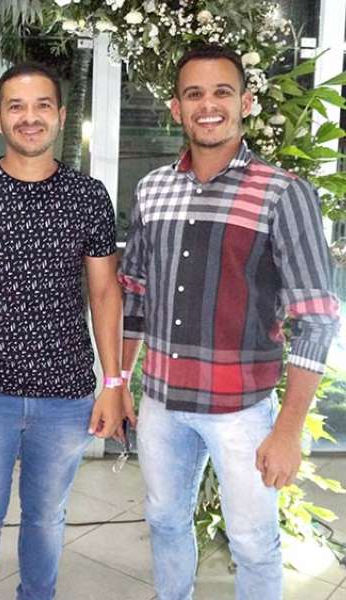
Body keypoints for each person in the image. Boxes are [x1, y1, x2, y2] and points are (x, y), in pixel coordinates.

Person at [119, 44, 340, 600]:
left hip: (241, 411)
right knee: (165, 521)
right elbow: (135, 296)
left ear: (245, 102)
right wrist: (120, 384)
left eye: (222, 91)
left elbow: (316, 319)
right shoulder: (153, 189)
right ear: (177, 108)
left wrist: (287, 430)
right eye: (194, 94)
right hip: (161, 404)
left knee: (253, 542)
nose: (208, 104)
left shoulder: (283, 193)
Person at [0, 62, 124, 600]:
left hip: (65, 394)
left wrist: (114, 382)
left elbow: (105, 293)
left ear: (60, 116)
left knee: (46, 517)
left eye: (42, 106)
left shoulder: (88, 196)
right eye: (16, 106)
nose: (29, 118)